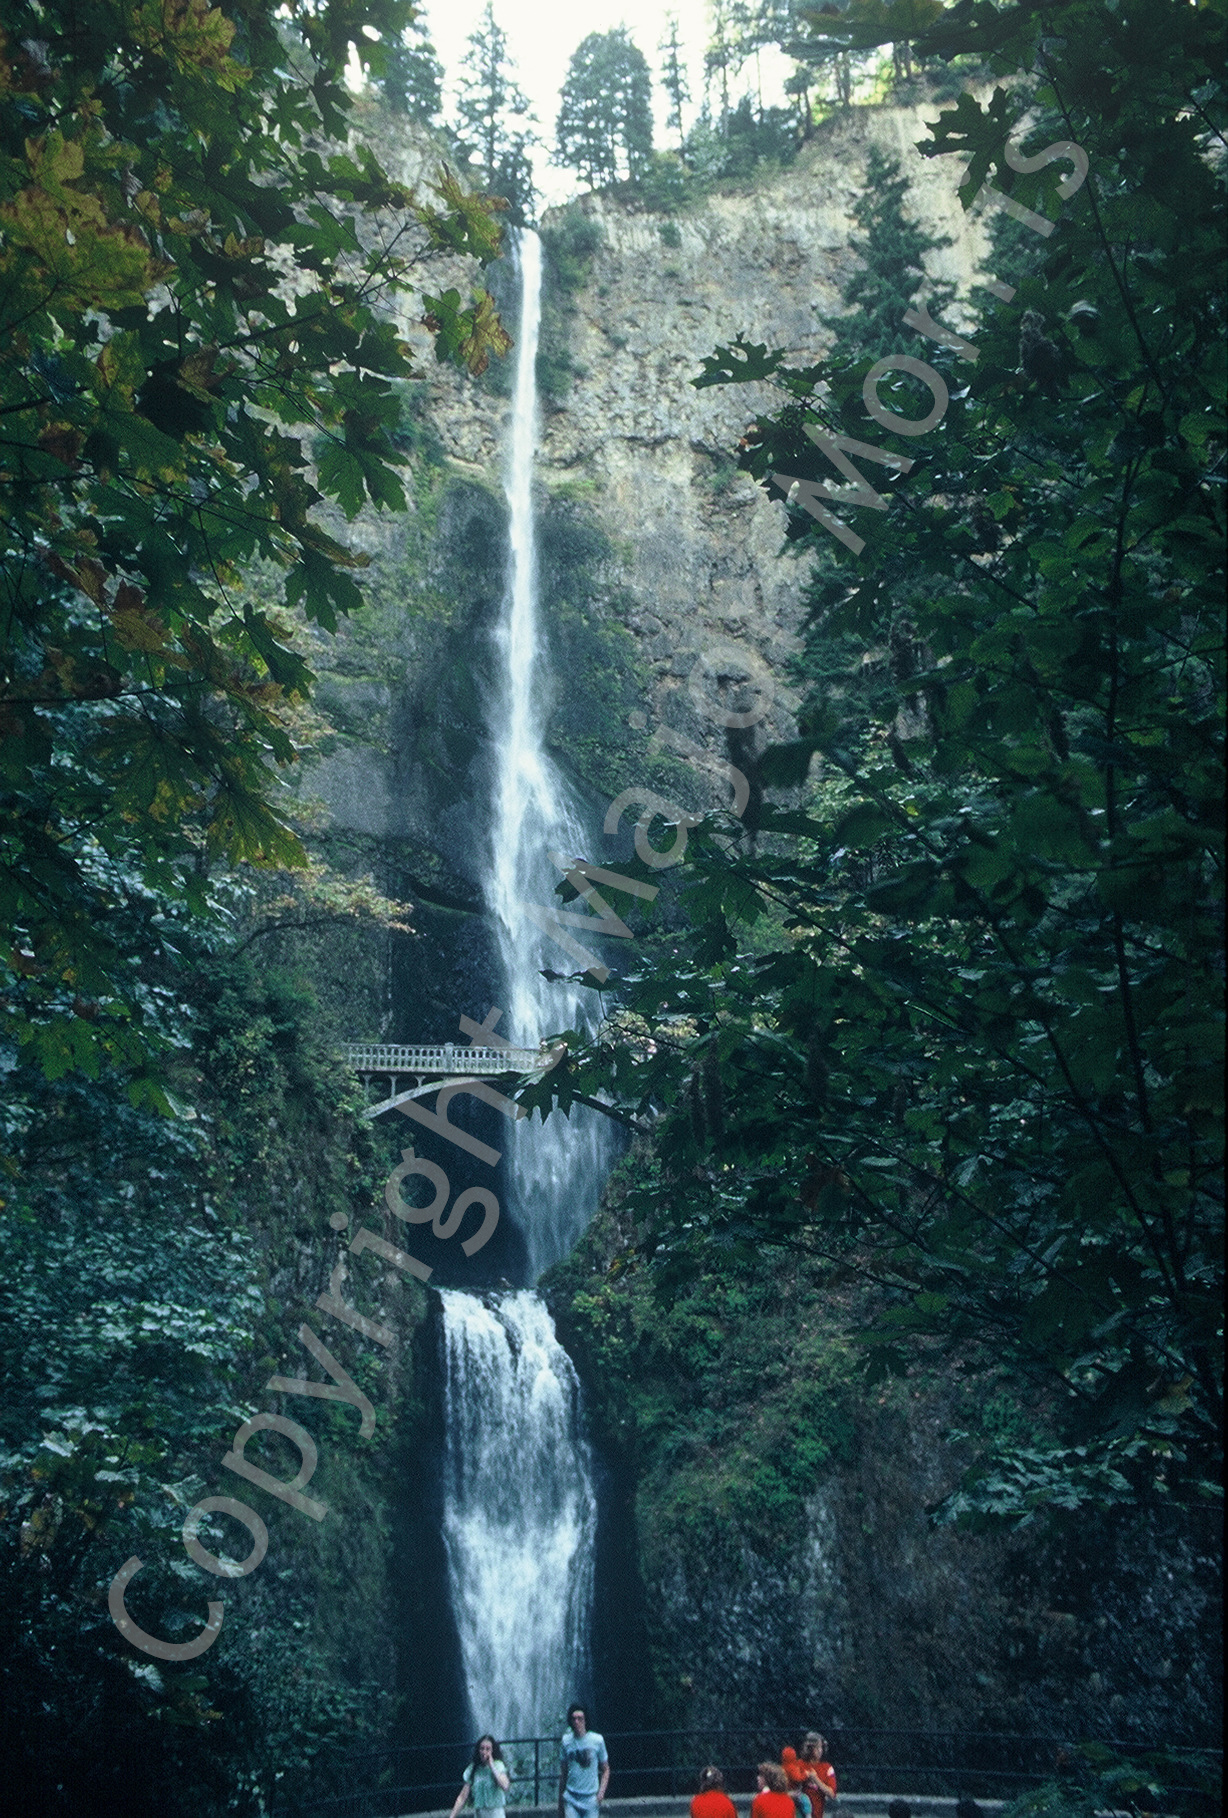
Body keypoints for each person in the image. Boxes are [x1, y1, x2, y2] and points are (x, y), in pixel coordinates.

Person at [558, 1703, 610, 1818]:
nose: (576, 1722)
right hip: (571, 1797)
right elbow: (563, 1773)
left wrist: (601, 1793)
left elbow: (605, 1769)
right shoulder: (566, 1741)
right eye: (574, 1719)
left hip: (590, 1799)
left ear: (585, 1720)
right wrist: (560, 1801)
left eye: (580, 1719)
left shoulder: (597, 1740)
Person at [450, 1736, 511, 1818]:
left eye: (487, 1749)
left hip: (495, 1813)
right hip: (480, 1813)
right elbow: (462, 1796)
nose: (484, 1752)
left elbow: (505, 1786)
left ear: (492, 1751)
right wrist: (452, 1816)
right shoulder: (473, 1769)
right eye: (482, 1749)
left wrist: (492, 1766)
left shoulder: (499, 1766)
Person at [797, 1733, 837, 1818]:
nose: (820, 1750)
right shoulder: (799, 1764)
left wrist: (816, 1780)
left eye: (821, 1747)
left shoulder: (827, 1767)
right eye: (817, 1747)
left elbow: (832, 1794)